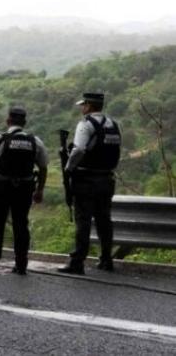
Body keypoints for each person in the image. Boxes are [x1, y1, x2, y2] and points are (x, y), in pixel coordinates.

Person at [0, 106, 48, 275]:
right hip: (24, 189)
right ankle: (21, 265)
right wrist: (39, 190)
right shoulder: (35, 141)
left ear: (8, 121)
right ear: (24, 123)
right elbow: (44, 168)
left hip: (0, 188)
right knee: (21, 225)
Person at [58, 93, 122, 275]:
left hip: (86, 180)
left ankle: (77, 262)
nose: (81, 108)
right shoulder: (113, 125)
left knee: (83, 220)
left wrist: (69, 168)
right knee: (104, 220)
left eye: (83, 105)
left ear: (88, 106)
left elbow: (78, 149)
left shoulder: (85, 124)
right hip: (107, 179)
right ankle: (106, 259)